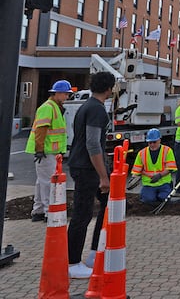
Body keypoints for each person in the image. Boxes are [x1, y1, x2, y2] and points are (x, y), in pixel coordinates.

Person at [66, 71, 115, 279]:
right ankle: (72, 262)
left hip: (82, 165)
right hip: (87, 169)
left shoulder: (86, 106)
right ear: (108, 89)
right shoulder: (97, 110)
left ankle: (95, 252)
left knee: (105, 205)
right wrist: (104, 176)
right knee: (82, 214)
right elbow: (93, 143)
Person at [25, 79, 71, 222]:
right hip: (46, 151)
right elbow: (41, 130)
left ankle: (38, 210)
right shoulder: (49, 107)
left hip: (48, 151)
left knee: (42, 181)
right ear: (57, 93)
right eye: (65, 94)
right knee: (48, 182)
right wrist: (39, 150)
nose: (67, 97)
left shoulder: (54, 107)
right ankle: (48, 211)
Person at [131, 128, 180, 205]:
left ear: (159, 140)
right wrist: (134, 179)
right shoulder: (142, 153)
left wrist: (160, 175)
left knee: (164, 197)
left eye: (154, 142)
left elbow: (170, 168)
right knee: (148, 200)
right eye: (150, 142)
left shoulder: (167, 150)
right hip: (149, 184)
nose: (152, 144)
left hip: (164, 183)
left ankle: (161, 197)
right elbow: (136, 170)